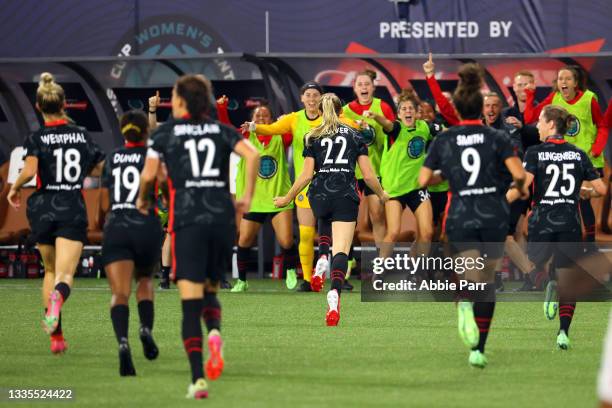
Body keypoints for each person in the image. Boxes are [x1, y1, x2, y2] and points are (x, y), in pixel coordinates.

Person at [138, 74, 259, 399]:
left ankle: (197, 379)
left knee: (190, 304)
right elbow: (252, 155)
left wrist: (143, 200)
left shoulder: (164, 133)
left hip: (187, 221)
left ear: (179, 101)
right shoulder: (221, 130)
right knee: (211, 289)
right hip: (220, 220)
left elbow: (149, 175)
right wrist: (245, 198)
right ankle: (215, 333)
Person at [419, 63, 527, 368]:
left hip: (461, 213)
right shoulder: (497, 138)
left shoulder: (446, 138)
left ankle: (463, 301)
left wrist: (447, 175)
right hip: (493, 214)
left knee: (469, 273)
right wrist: (518, 185)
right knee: (488, 281)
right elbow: (519, 176)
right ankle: (478, 348)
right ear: (481, 108)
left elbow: (424, 180)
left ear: (458, 108)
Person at [7, 72, 105, 354]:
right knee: (65, 275)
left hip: (42, 208)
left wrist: (14, 188)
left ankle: (57, 337)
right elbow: (99, 168)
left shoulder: (36, 137)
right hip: (70, 206)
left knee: (49, 270)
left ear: (39, 107)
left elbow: (30, 170)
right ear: (64, 105)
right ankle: (58, 300)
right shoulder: (81, 135)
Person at [244, 81, 371, 292]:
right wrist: (255, 126)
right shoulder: (294, 119)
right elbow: (273, 128)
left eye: (315, 95)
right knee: (316, 232)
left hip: (313, 183)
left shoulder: (334, 121)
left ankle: (329, 269)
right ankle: (312, 277)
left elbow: (357, 126)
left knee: (327, 226)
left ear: (321, 100)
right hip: (321, 184)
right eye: (308, 95)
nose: (311, 99)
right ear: (302, 98)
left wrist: (362, 125)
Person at [274, 93, 388, 325]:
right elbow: (367, 174)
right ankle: (334, 292)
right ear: (341, 112)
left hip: (319, 191)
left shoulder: (312, 136)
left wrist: (287, 197)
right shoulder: (356, 136)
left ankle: (322, 255)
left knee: (324, 219)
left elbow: (306, 175)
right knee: (342, 250)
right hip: (345, 191)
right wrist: (382, 193)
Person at [507, 105, 606, 350]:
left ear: (551, 124)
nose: (537, 126)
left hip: (541, 225)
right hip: (570, 225)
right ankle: (563, 332)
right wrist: (582, 192)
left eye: (540, 120)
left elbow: (524, 187)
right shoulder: (578, 153)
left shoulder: (534, 152)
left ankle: (545, 280)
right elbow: (602, 190)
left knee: (532, 265)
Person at [99, 110, 163, 376]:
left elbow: (103, 204)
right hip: (145, 224)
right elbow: (160, 186)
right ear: (145, 132)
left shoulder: (112, 157)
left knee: (119, 293)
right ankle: (145, 329)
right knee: (145, 281)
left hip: (118, 225)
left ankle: (123, 343)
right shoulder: (152, 156)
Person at [524, 66, 609, 245]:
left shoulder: (588, 99)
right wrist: (530, 94)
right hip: (561, 156)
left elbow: (602, 125)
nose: (563, 82)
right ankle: (566, 243)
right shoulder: (554, 98)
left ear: (576, 83)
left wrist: (596, 148)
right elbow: (530, 116)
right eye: (560, 79)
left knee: (582, 200)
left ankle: (589, 243)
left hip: (586, 157)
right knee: (568, 199)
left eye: (568, 79)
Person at [361, 92, 436, 266]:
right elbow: (386, 124)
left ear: (417, 113)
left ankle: (418, 270)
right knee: (393, 232)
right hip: (394, 189)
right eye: (403, 109)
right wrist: (375, 116)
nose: (407, 111)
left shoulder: (425, 127)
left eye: (411, 108)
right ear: (399, 114)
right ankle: (379, 271)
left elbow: (447, 133)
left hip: (417, 188)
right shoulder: (396, 128)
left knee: (427, 233)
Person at [233, 104, 297, 292]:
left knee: (286, 241)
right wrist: (221, 108)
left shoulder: (281, 136)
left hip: (279, 198)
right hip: (255, 199)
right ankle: (242, 281)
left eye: (265, 115)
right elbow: (226, 127)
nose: (261, 118)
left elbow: (296, 126)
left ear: (271, 119)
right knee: (244, 241)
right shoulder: (246, 136)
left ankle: (291, 271)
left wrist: (288, 118)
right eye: (257, 115)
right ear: (251, 118)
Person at [342, 69, 395, 248]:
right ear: (355, 88)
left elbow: (394, 135)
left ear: (373, 87)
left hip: (375, 170)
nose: (364, 87)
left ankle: (381, 263)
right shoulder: (345, 112)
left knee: (377, 216)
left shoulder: (383, 107)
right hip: (351, 173)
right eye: (360, 84)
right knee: (347, 217)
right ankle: (346, 261)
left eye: (367, 84)